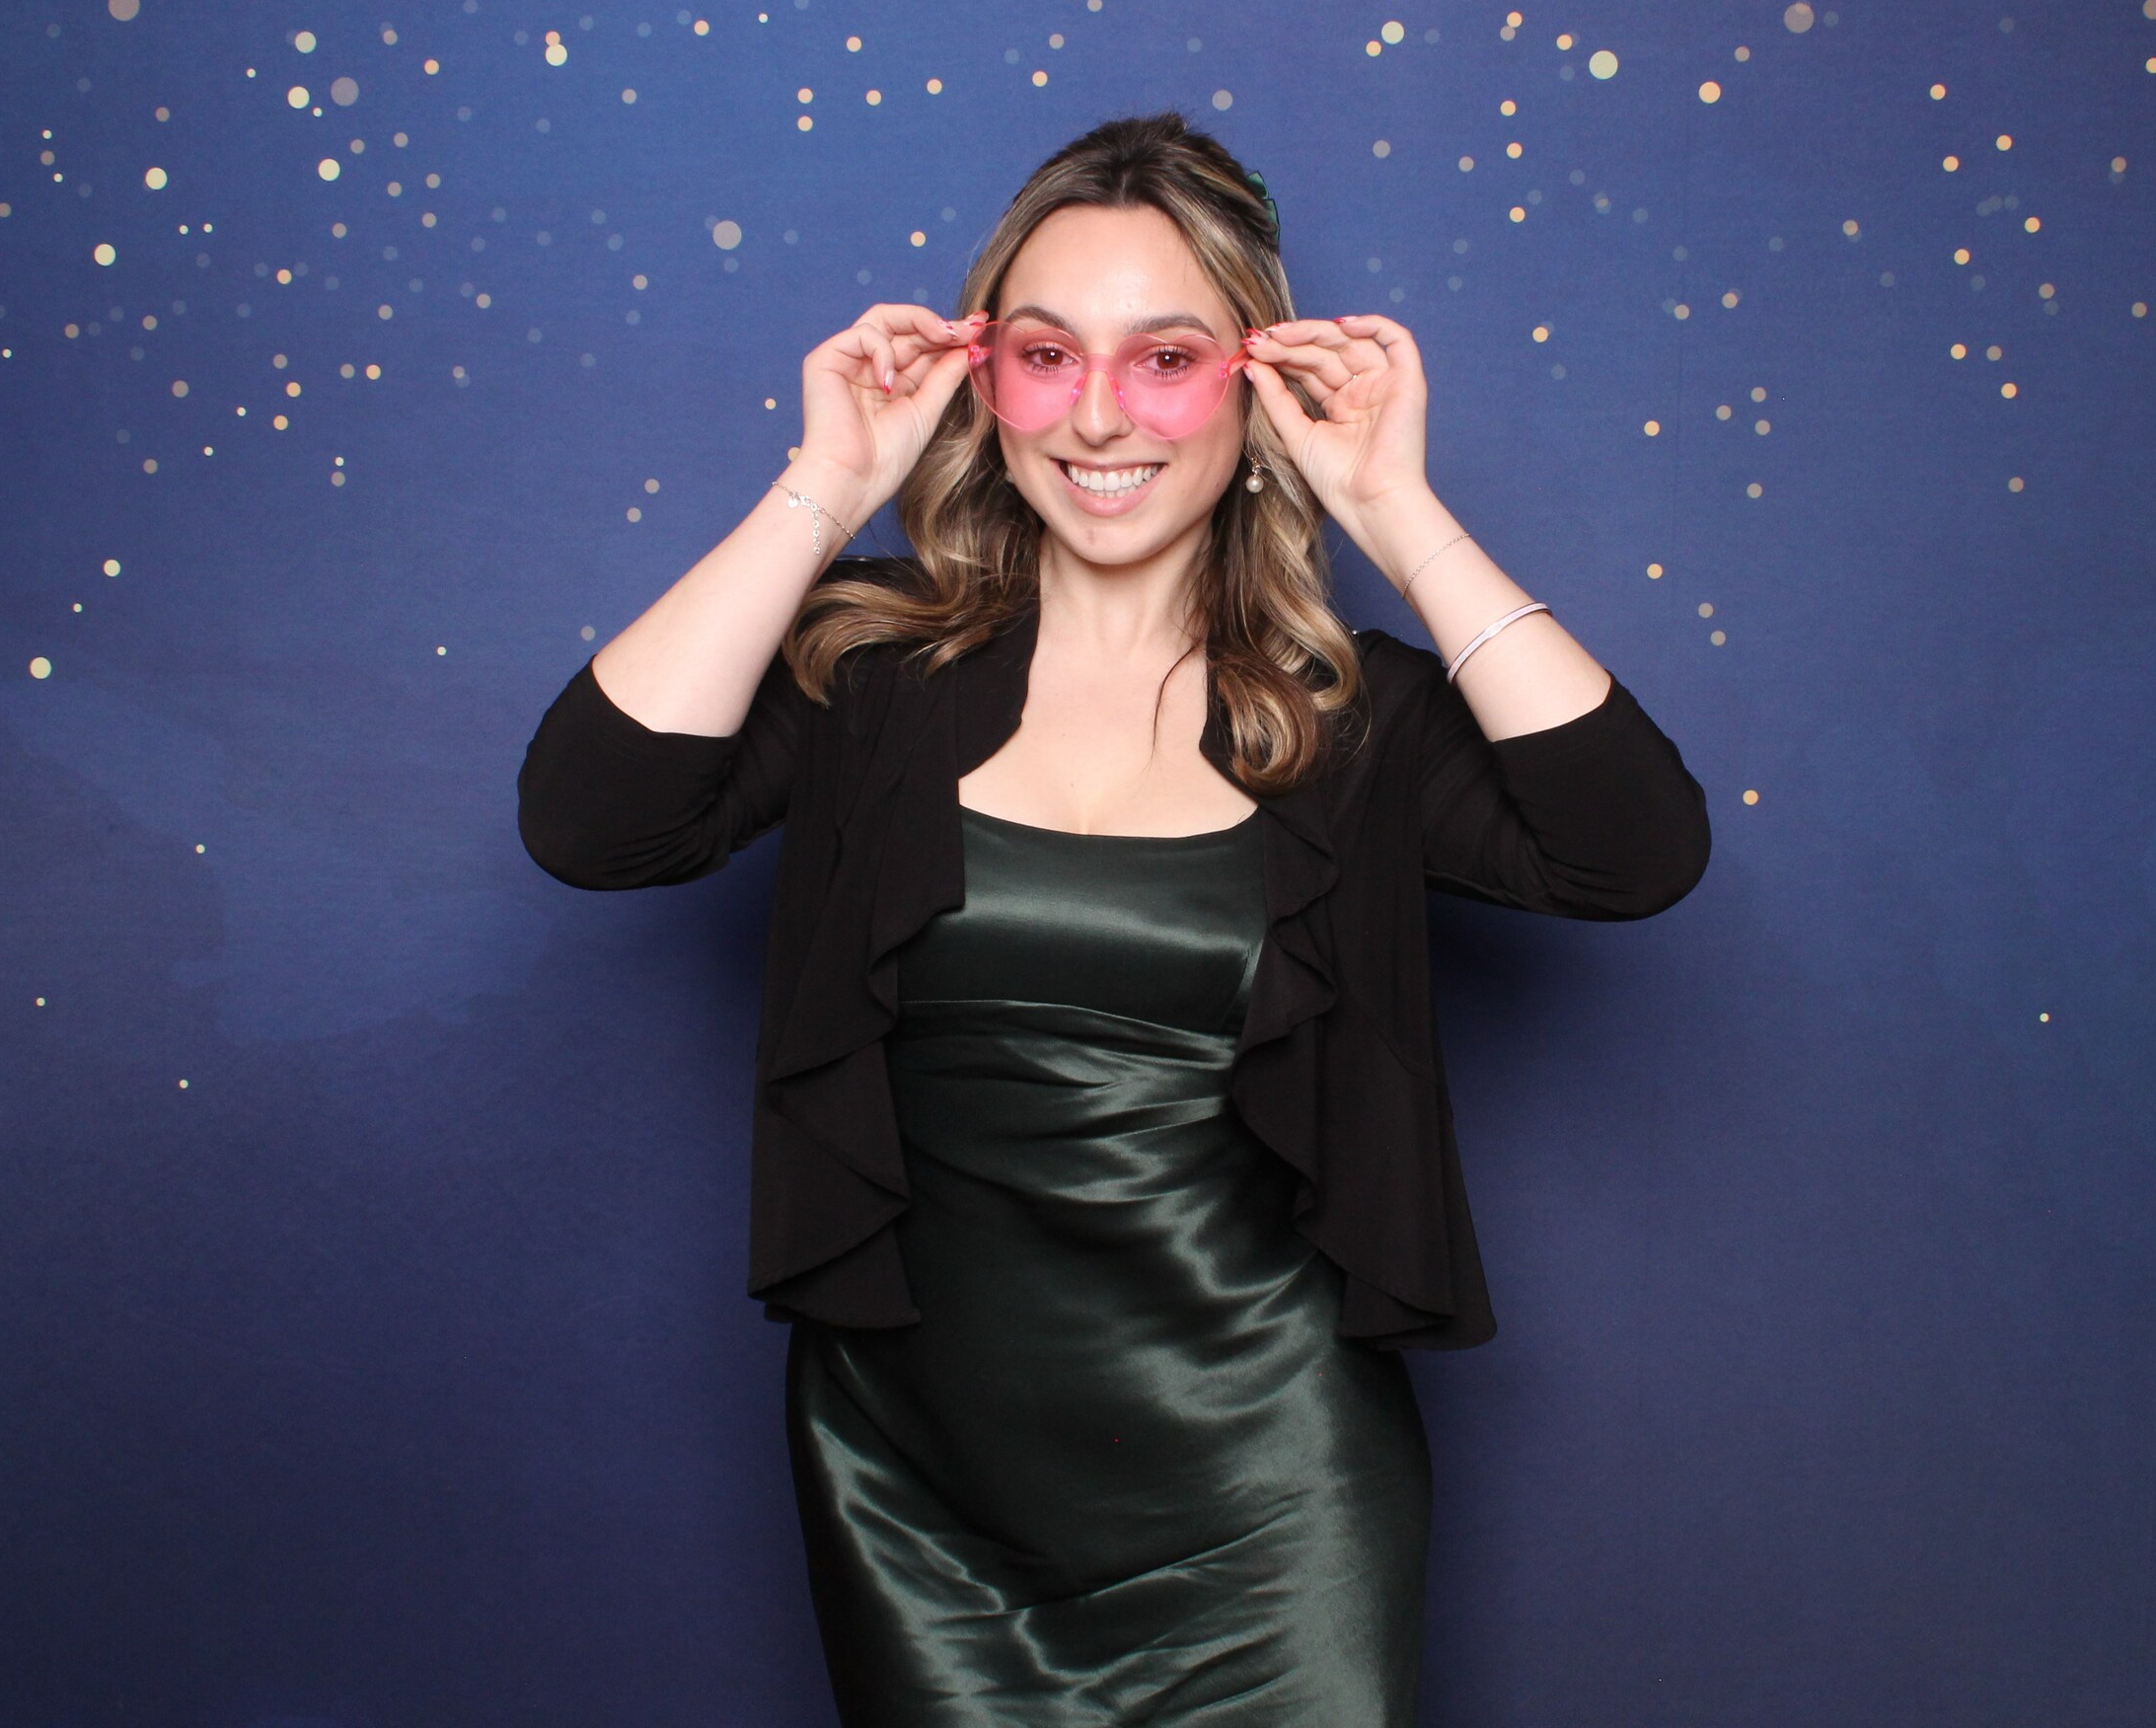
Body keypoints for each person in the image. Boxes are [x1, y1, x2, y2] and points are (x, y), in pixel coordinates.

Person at [517, 113, 1709, 1725]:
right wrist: (828, 483)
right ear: (982, 381)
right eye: (1044, 355)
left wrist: (1395, 508)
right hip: (918, 1492)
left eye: (1165, 358)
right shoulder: (867, 681)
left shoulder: (1351, 724)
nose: (1096, 414)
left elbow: (1635, 854)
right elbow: (591, 824)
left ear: (1255, 384)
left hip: (1271, 1491)